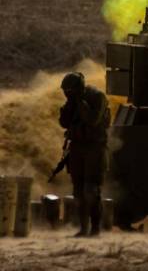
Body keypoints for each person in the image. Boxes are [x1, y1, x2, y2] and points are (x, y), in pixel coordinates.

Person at [57, 71, 109, 237]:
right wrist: (69, 105)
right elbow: (64, 123)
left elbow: (92, 120)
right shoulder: (72, 101)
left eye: (70, 91)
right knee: (78, 192)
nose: (67, 94)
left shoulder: (97, 97)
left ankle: (95, 229)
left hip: (95, 148)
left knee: (91, 190)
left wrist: (80, 103)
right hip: (77, 149)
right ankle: (83, 228)